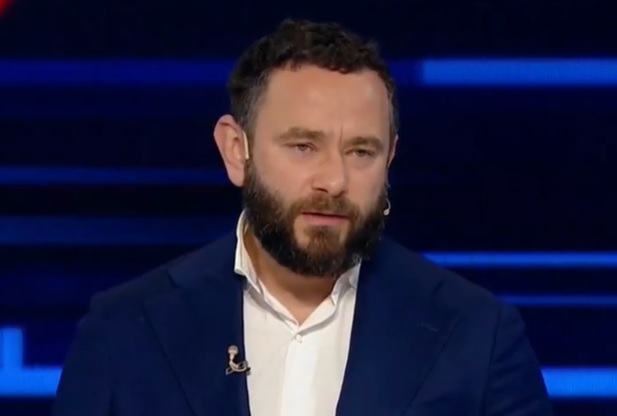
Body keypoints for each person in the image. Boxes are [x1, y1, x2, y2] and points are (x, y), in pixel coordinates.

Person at [52, 19, 553, 416]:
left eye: (361, 152)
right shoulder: (124, 330)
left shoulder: (478, 337)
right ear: (236, 151)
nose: (333, 180)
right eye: (303, 146)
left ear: (390, 158)